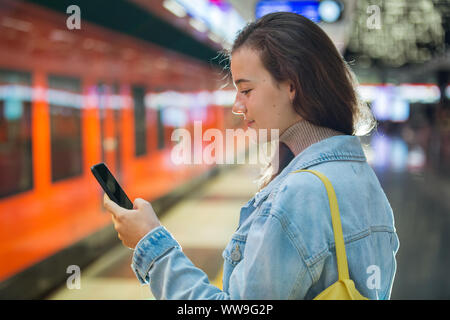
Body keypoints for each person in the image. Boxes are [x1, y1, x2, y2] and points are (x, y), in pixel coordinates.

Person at [104, 12, 399, 299]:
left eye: (245, 90)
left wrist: (152, 245)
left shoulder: (300, 195)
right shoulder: (361, 177)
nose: (236, 105)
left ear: (292, 85)